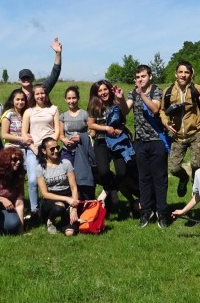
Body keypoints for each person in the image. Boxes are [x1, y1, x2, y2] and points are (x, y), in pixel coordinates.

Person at [116, 65, 169, 228]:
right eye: (138, 77)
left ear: (150, 76)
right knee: (144, 178)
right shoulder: (133, 92)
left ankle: (162, 212)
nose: (140, 79)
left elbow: (155, 109)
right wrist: (121, 99)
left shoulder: (156, 90)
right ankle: (146, 211)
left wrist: (142, 94)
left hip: (157, 141)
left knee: (159, 178)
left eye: (143, 76)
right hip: (140, 141)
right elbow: (125, 111)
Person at [160, 60, 200, 198]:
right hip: (177, 136)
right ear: (176, 74)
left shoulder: (196, 89)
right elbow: (162, 110)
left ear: (190, 74)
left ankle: (196, 185)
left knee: (197, 164)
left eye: (186, 72)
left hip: (195, 133)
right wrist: (166, 123)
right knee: (174, 168)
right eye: (181, 72)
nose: (183, 75)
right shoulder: (168, 91)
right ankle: (183, 178)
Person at [87, 79, 139, 214]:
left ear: (109, 89)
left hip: (117, 141)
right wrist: (106, 128)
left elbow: (124, 118)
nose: (103, 92)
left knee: (122, 172)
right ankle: (110, 189)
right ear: (96, 93)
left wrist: (121, 127)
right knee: (103, 172)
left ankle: (112, 191)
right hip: (101, 140)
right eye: (100, 91)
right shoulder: (94, 105)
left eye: (105, 89)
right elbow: (91, 124)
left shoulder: (116, 102)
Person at [21, 83, 61, 220]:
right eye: (37, 94)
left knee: (52, 179)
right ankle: (34, 210)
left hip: (50, 150)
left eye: (42, 93)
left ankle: (52, 207)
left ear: (46, 94)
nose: (40, 96)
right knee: (33, 181)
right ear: (33, 96)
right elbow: (24, 132)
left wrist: (50, 147)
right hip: (33, 149)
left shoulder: (53, 109)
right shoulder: (28, 111)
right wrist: (34, 148)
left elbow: (57, 130)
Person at [36, 137, 80, 236]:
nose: (56, 151)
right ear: (44, 151)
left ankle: (65, 219)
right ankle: (50, 219)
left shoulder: (66, 163)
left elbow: (74, 187)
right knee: (59, 206)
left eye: (57, 148)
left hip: (68, 197)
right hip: (51, 199)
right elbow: (45, 194)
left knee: (70, 233)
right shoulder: (40, 168)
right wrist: (66, 199)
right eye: (52, 149)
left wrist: (74, 209)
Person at [60, 85, 96, 201]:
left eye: (74, 98)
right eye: (69, 98)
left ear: (78, 98)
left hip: (82, 151)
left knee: (83, 178)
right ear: (65, 99)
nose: (71, 101)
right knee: (68, 178)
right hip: (67, 152)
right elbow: (60, 135)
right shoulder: (63, 116)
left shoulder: (85, 114)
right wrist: (64, 140)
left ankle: (87, 201)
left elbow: (92, 132)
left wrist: (81, 137)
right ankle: (72, 201)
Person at [19, 37, 63, 107]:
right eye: (23, 78)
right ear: (19, 81)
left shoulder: (41, 89)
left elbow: (55, 73)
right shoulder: (16, 94)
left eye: (28, 77)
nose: (26, 79)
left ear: (33, 78)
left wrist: (58, 53)